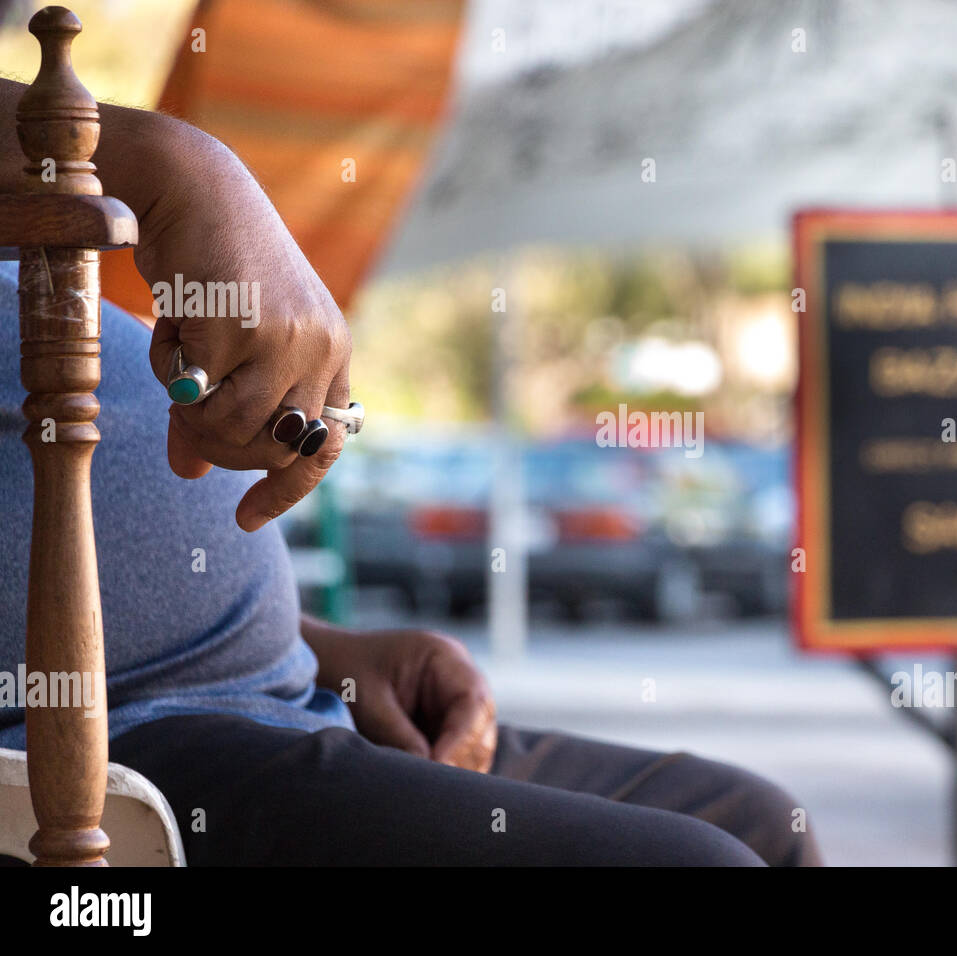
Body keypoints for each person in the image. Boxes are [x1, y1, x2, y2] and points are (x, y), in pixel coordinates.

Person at [0, 78, 821, 867]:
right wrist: (169, 162)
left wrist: (322, 649)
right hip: (110, 745)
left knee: (760, 820)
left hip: (287, 696)